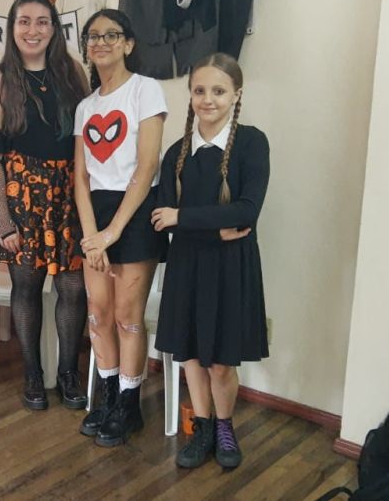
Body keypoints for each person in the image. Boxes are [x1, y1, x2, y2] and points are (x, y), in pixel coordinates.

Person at [151, 52, 270, 469]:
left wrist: (184, 219)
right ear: (190, 94)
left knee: (220, 362)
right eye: (199, 90)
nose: (208, 99)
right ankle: (201, 428)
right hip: (187, 266)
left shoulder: (252, 143)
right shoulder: (177, 154)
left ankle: (224, 426)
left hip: (230, 269)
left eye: (219, 91)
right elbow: (160, 218)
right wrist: (213, 228)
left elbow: (246, 211)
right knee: (189, 355)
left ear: (236, 94)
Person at [0, 0, 90, 411]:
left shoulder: (73, 74)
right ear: (12, 28)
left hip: (68, 193)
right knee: (26, 286)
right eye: (24, 21)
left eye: (42, 22)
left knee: (73, 287)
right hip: (21, 193)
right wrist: (4, 220)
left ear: (54, 29)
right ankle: (32, 374)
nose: (33, 30)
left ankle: (69, 373)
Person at [73, 9, 167, 447]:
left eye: (111, 35)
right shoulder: (85, 106)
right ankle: (108, 396)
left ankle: (130, 405)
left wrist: (112, 232)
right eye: (93, 36)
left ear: (128, 44)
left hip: (135, 211)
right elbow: (81, 178)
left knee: (128, 316)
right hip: (95, 213)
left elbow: (147, 167)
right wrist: (92, 235)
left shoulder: (146, 90)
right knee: (99, 312)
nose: (101, 42)